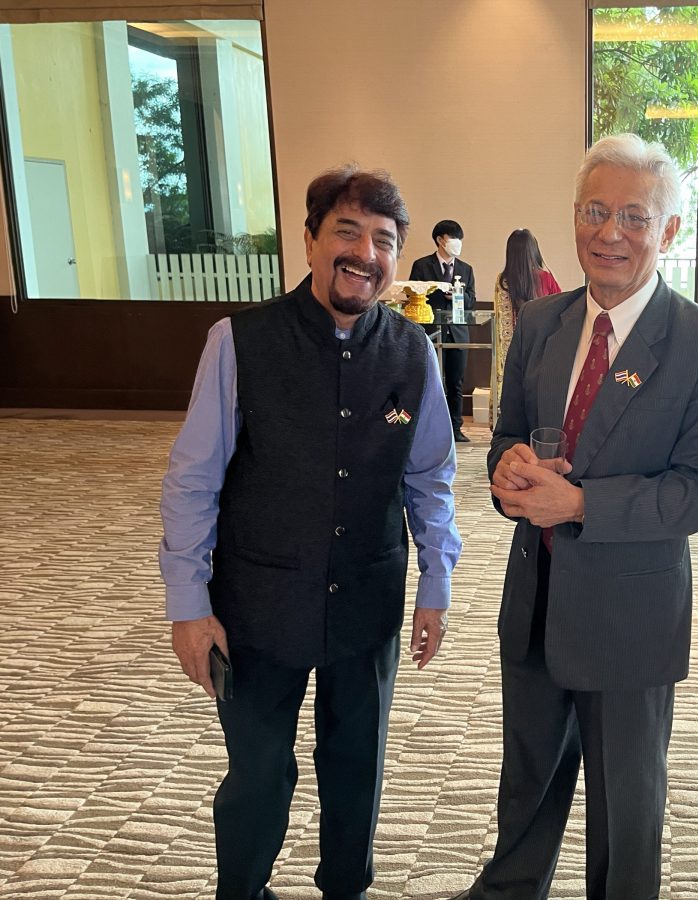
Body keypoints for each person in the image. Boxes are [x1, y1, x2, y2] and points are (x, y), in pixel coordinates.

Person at [451, 134, 698, 900]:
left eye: (634, 216)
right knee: (524, 789)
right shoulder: (541, 322)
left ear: (669, 230)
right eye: (594, 211)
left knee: (625, 811)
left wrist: (582, 503)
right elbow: (507, 437)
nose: (609, 232)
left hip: (629, 618)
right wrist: (508, 468)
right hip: (535, 602)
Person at [160, 165, 462, 900]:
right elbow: (193, 481)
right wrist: (188, 605)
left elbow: (430, 479)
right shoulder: (239, 341)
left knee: (357, 766)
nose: (365, 253)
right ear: (309, 241)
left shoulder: (413, 353)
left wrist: (437, 582)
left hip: (367, 596)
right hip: (259, 603)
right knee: (259, 772)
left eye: (383, 240)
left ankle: (345, 890)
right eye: (346, 232)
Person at [410, 219, 477, 442]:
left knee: (456, 382)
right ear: (440, 240)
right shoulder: (422, 266)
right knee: (431, 382)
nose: (457, 243)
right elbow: (413, 294)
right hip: (430, 331)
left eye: (459, 238)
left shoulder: (466, 269)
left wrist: (458, 296)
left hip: (457, 332)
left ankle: (456, 428)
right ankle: (429, 429)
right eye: (453, 238)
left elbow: (471, 300)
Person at [493, 228, 561, 412]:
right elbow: (559, 312)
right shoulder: (546, 278)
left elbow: (501, 322)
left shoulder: (503, 282)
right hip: (542, 348)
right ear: (533, 250)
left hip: (511, 351)